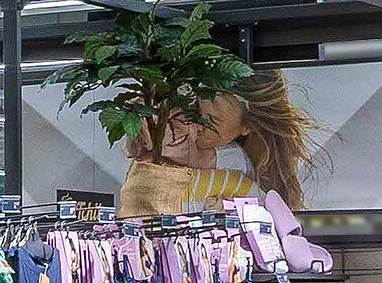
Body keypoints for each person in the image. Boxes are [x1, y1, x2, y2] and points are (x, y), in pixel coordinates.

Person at [116, 71, 318, 217]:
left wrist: (238, 210)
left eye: (211, 121)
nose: (195, 127)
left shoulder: (234, 163)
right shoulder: (152, 156)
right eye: (193, 112)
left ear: (248, 126)